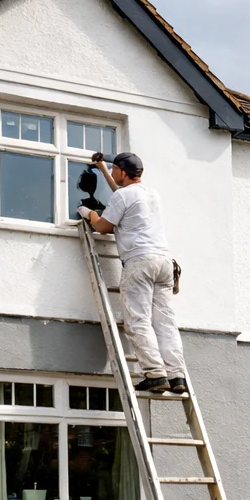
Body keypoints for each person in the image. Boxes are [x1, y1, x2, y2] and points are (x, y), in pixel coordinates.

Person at [77, 151, 186, 394]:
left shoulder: (123, 195)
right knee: (165, 323)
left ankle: (155, 374)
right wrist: (103, 169)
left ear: (124, 172)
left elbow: (103, 227)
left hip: (139, 262)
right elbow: (122, 194)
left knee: (138, 319)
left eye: (115, 168)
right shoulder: (150, 193)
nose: (113, 171)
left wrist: (88, 213)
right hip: (164, 263)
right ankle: (176, 375)